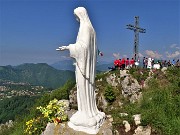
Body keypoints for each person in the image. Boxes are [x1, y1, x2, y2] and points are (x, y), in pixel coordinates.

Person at [56, 7, 104, 134]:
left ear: (80, 15)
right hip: (88, 66)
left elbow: (83, 47)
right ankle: (89, 112)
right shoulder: (92, 29)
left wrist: (68, 47)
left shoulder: (85, 28)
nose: (75, 19)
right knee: (87, 88)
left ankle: (86, 113)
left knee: (83, 87)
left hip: (83, 67)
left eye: (76, 16)